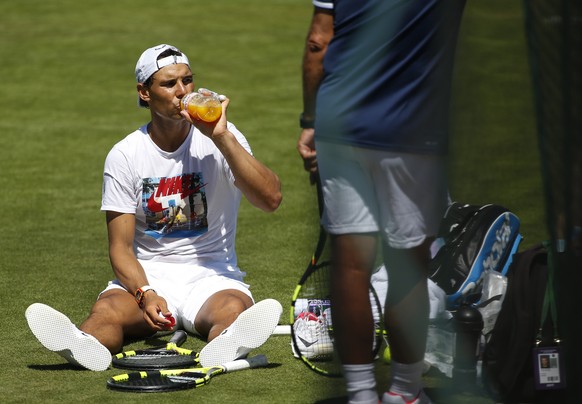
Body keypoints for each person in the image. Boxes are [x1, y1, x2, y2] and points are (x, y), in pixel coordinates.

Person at [26, 43, 283, 371]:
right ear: (144, 93)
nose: (182, 91)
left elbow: (271, 199)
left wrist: (221, 136)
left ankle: (227, 342)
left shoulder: (223, 137)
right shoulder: (125, 155)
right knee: (105, 314)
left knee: (233, 309)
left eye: (188, 80)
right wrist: (144, 292)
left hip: (213, 275)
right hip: (149, 275)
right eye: (169, 83)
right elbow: (119, 248)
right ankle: (83, 344)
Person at [297, 2, 465, 403]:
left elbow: (318, 43)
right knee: (407, 262)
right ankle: (405, 392)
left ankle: (360, 395)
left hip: (339, 125)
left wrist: (309, 121)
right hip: (411, 129)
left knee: (351, 264)